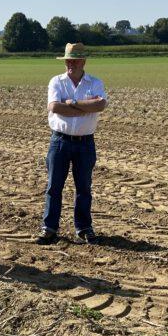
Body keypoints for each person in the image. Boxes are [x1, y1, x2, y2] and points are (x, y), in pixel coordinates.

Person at [36, 42, 108, 245]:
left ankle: (84, 228)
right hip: (59, 141)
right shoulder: (56, 82)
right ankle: (49, 228)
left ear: (83, 61)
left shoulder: (95, 82)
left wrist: (72, 103)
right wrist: (86, 106)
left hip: (85, 143)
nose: (71, 64)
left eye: (75, 60)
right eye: (68, 60)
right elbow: (54, 107)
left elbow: (100, 104)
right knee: (53, 187)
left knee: (84, 187)